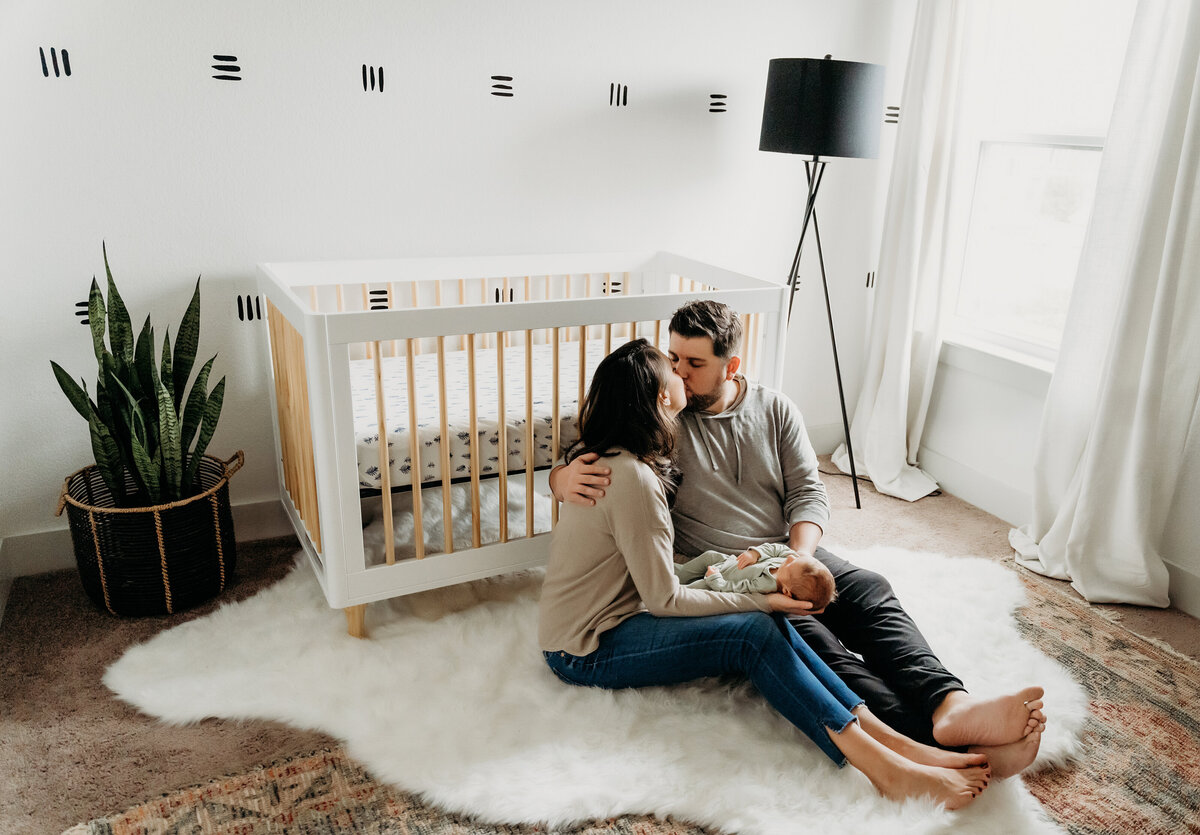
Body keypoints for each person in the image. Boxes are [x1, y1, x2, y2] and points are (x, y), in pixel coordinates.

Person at [550, 302, 1045, 778]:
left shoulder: (774, 408)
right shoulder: (665, 418)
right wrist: (560, 477)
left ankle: (950, 705)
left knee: (870, 589)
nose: (678, 373)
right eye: (674, 358)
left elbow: (808, 492)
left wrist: (800, 559)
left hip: (787, 549)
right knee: (813, 638)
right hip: (729, 567)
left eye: (694, 363)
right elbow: (605, 433)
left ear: (731, 364)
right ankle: (933, 744)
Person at [673, 542, 837, 612]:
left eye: (790, 565)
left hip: (718, 581)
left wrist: (716, 581)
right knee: (709, 556)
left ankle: (666, 590)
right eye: (797, 558)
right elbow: (776, 549)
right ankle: (676, 571)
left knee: (688, 592)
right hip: (728, 562)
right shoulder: (791, 558)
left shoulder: (766, 585)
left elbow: (738, 590)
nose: (790, 558)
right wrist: (755, 553)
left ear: (786, 591)